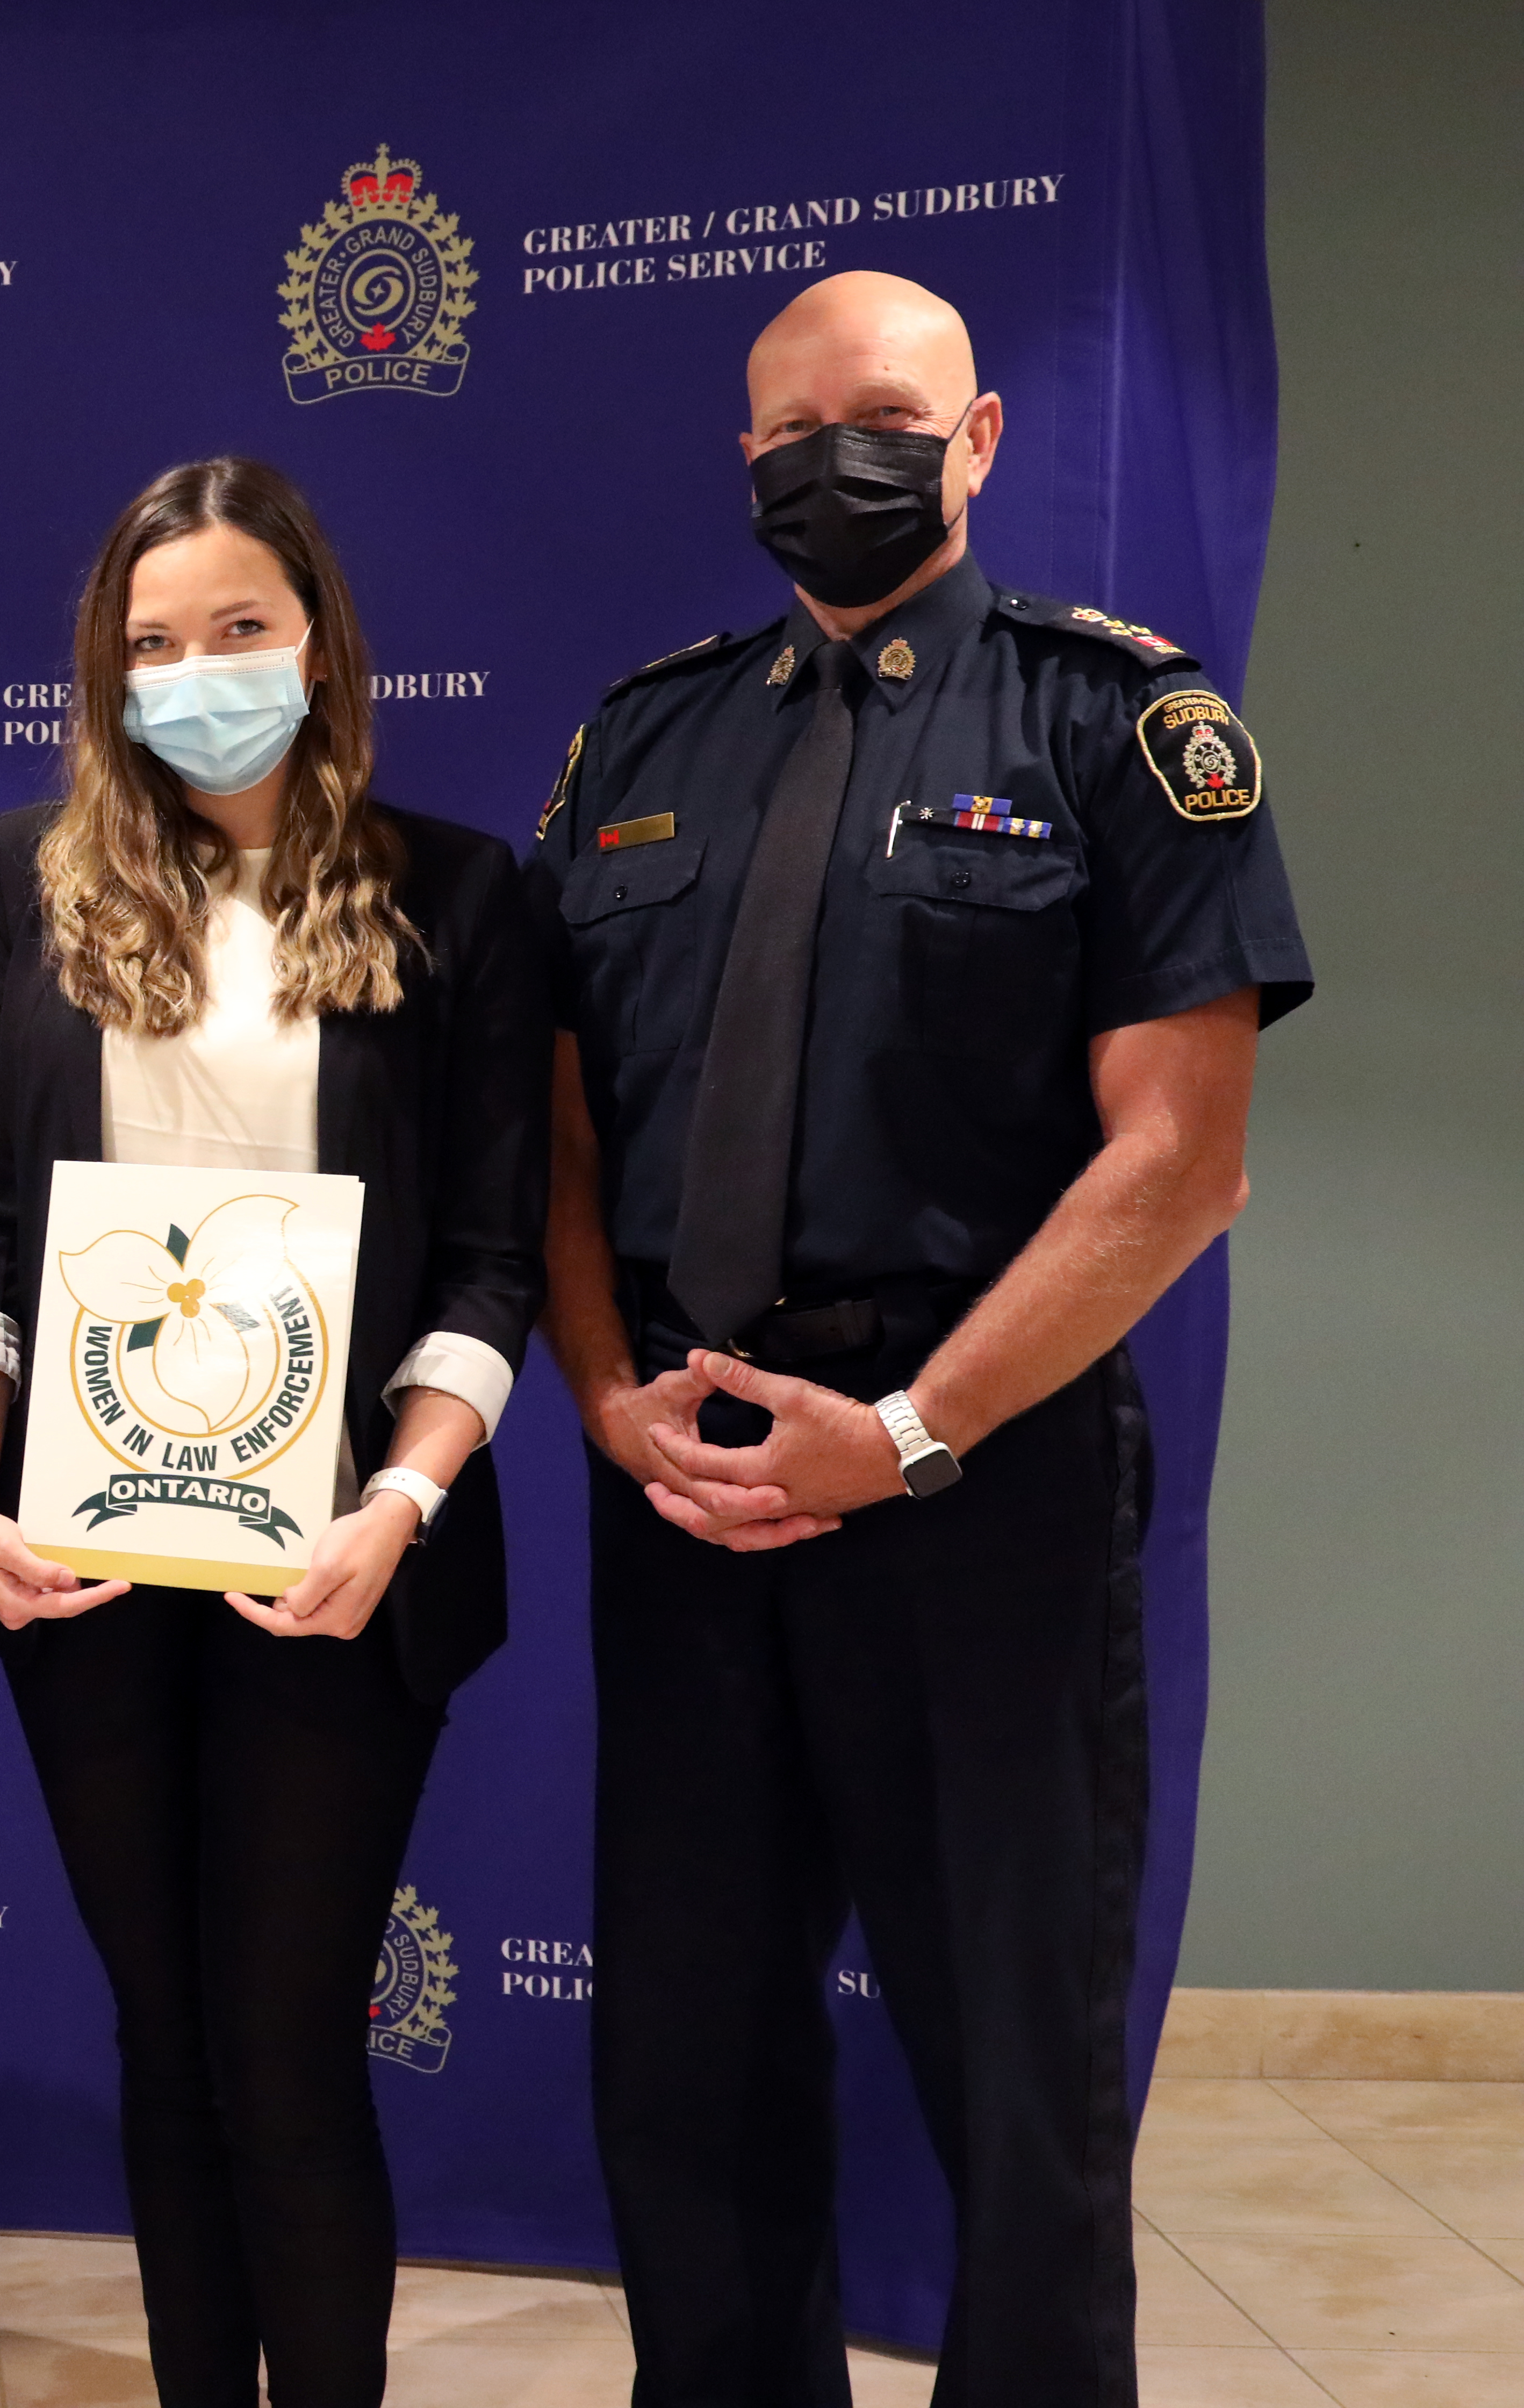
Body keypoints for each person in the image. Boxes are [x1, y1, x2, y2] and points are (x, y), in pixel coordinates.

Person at [534, 271, 1312, 2403]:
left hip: (985, 1481)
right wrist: (607, 1396)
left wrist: (910, 1428)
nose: (828, 460)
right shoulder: (641, 739)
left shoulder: (1119, 725)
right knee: (688, 2069)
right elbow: (566, 1141)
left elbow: (1181, 1158)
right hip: (693, 1477)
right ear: (745, 462)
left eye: (879, 418)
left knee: (1018, 2074)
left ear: (973, 441)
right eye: (787, 432)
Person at [0, 457, 546, 2405]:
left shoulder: (455, 892)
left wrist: (404, 1504)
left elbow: (494, 1255)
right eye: (154, 643)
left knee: (283, 2039)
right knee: (166, 2033)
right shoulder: (25, 878)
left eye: (239, 630)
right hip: (87, 1562)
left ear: (320, 643)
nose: (198, 672)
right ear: (110, 675)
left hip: (341, 1570)